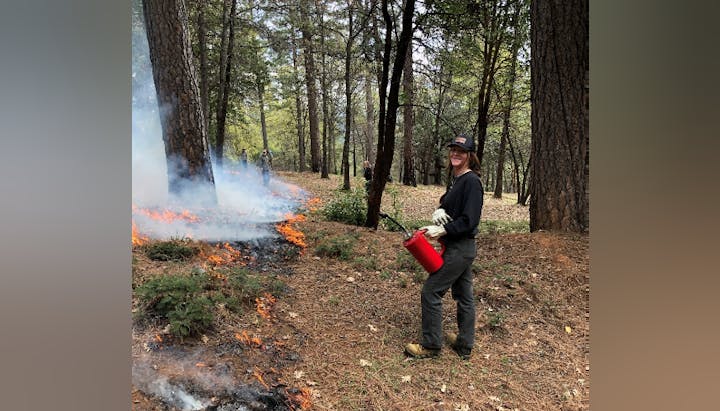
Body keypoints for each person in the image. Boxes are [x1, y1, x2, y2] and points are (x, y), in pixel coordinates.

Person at [404, 134, 484, 360]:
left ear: (470, 155)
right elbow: (454, 213)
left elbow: (470, 221)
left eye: (461, 151)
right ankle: (464, 345)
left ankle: (431, 345)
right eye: (453, 150)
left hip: (460, 248)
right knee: (464, 296)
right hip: (457, 247)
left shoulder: (471, 182)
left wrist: (445, 230)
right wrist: (438, 218)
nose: (455, 154)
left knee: (431, 291)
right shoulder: (458, 179)